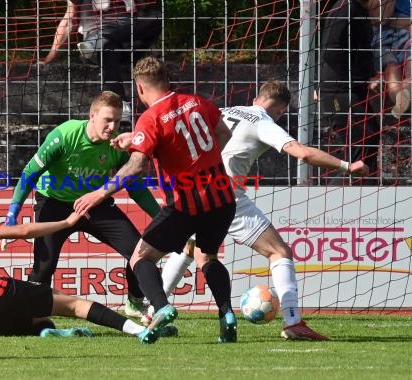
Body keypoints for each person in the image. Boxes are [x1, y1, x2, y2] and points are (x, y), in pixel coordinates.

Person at [149, 80, 370, 340]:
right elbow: (302, 153)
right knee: (279, 251)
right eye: (281, 113)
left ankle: (153, 312)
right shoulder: (263, 121)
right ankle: (292, 321)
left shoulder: (226, 110)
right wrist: (347, 166)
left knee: (188, 247)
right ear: (279, 109)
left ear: (258, 96)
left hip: (194, 189)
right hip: (225, 192)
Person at [73, 56, 237, 344]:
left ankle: (161, 308)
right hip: (222, 196)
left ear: (139, 88)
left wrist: (100, 193)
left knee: (140, 257)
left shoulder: (149, 118)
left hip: (187, 203)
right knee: (207, 256)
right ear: (167, 80)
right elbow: (223, 133)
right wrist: (199, 161)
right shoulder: (198, 101)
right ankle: (227, 314)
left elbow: (137, 165)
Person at [0, 199, 174, 339]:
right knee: (74, 304)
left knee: (43, 321)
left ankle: (53, 334)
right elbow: (24, 231)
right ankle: (138, 331)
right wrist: (67, 223)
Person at [2, 91, 162, 319]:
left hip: (96, 205)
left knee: (140, 252)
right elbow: (29, 174)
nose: (112, 127)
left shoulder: (118, 147)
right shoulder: (65, 135)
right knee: (44, 267)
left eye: (118, 122)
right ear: (92, 115)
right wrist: (11, 216)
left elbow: (135, 187)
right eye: (108, 120)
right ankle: (32, 313)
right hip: (54, 203)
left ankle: (135, 302)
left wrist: (161, 216)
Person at [42, 0, 161, 126]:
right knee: (107, 47)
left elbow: (143, 13)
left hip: (127, 40)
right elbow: (68, 21)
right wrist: (50, 57)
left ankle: (97, 40)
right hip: (100, 48)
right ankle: (121, 104)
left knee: (156, 19)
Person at [318, 0, 381, 185]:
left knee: (367, 139)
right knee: (362, 143)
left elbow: (359, 51)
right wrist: (362, 78)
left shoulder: (356, 9)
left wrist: (370, 74)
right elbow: (330, 52)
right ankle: (337, 200)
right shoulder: (345, 9)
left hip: (349, 89)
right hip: (340, 91)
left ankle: (365, 193)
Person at [369, 0, 412, 118]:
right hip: (382, 41)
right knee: (391, 67)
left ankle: (404, 100)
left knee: (410, 67)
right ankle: (401, 102)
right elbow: (380, 19)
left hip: (406, 37)